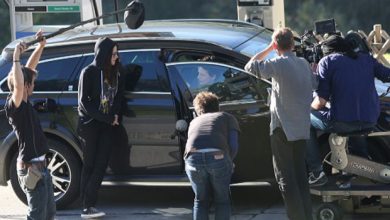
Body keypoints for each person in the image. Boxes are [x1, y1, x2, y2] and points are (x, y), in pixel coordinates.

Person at [245, 27, 314, 220]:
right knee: (300, 175)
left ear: (276, 46)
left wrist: (268, 48)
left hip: (282, 127)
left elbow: (250, 66)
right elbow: (313, 84)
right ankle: (306, 216)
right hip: (301, 127)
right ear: (293, 44)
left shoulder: (277, 63)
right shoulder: (303, 63)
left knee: (285, 177)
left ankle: (296, 217)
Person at [306, 35, 390, 186]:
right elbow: (387, 74)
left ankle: (316, 172)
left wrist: (308, 109)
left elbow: (321, 102)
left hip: (343, 122)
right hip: (370, 120)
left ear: (327, 51)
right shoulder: (366, 58)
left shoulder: (327, 61)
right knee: (354, 124)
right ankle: (358, 167)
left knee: (305, 121)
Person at [5, 30, 56, 220]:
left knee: (49, 214)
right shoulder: (15, 105)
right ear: (25, 86)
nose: (34, 86)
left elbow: (29, 69)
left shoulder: (25, 101)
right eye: (32, 83)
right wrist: (16, 57)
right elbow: (19, 83)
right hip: (31, 168)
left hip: (42, 168)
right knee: (37, 216)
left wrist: (40, 46)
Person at [78, 37, 124, 219]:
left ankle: (90, 203)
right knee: (89, 164)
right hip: (90, 125)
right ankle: (86, 206)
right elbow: (83, 103)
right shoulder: (88, 72)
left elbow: (119, 95)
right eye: (113, 54)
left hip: (107, 125)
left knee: (101, 164)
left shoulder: (116, 72)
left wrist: (114, 114)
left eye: (117, 53)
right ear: (103, 54)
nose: (116, 57)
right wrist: (106, 117)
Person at [184, 91, 240, 220]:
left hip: (192, 159)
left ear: (198, 110)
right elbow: (234, 145)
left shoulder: (194, 121)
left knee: (200, 200)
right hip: (218, 157)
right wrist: (229, 162)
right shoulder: (227, 117)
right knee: (222, 200)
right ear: (217, 106)